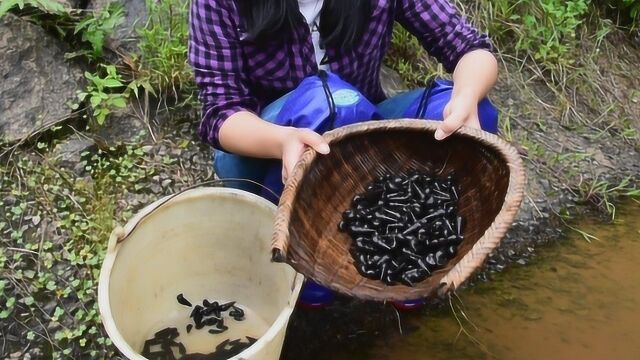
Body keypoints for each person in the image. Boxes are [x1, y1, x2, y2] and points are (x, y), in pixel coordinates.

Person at [188, 0, 499, 310]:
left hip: (359, 141)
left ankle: (407, 261)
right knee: (332, 104)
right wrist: (283, 140)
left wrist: (466, 98)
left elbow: (471, 49)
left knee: (476, 117)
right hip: (265, 150)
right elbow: (221, 112)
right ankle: (300, 256)